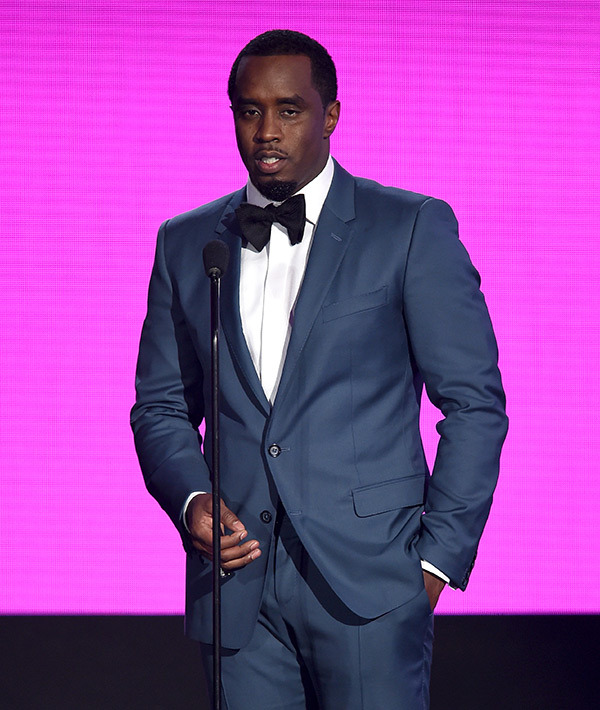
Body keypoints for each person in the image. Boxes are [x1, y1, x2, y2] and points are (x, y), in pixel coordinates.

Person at [131, 29, 508, 710]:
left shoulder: (409, 227)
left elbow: (474, 404)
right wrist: (190, 502)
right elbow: (160, 406)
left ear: (330, 114)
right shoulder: (185, 242)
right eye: (249, 110)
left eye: (289, 110)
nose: (266, 131)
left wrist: (435, 561)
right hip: (236, 589)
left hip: (372, 587)